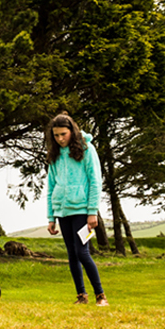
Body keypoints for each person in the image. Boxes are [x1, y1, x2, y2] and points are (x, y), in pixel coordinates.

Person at [46, 113, 108, 307]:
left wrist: (92, 212)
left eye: (63, 134)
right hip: (62, 212)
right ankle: (81, 295)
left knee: (82, 252)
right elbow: (51, 186)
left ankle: (101, 296)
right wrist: (51, 217)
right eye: (56, 135)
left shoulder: (87, 150)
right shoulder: (55, 155)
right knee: (72, 254)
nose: (60, 139)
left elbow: (95, 181)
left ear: (72, 131)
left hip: (82, 211)